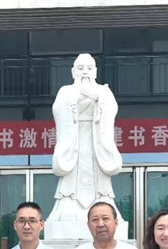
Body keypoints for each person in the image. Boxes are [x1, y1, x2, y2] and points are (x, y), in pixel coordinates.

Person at [48, 53, 123, 224]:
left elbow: (111, 109)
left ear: (95, 71)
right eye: (80, 68)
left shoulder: (103, 91)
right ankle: (69, 205)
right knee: (71, 181)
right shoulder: (66, 91)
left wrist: (98, 99)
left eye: (89, 68)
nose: (85, 71)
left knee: (101, 185)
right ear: (73, 71)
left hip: (96, 141)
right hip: (73, 140)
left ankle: (103, 204)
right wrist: (73, 100)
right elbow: (58, 109)